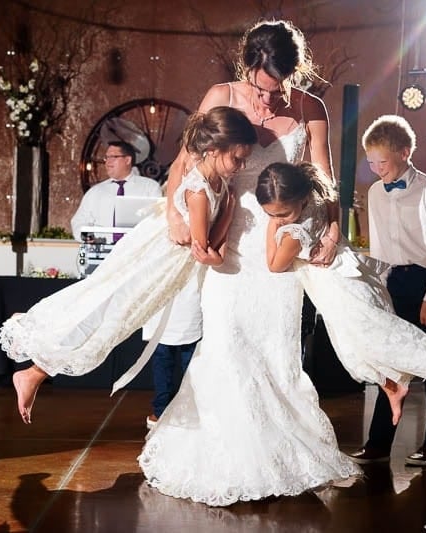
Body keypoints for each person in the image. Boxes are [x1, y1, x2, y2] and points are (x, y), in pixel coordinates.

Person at [137, 20, 355, 508]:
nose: (269, 96)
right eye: (262, 83)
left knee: (277, 349)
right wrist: (175, 212)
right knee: (226, 342)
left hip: (281, 245)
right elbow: (185, 161)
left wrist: (334, 227)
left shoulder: (310, 107)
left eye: (279, 84)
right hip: (230, 239)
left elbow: (323, 174)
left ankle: (279, 454)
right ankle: (225, 453)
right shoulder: (222, 94)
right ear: (249, 65)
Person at [0, 106, 257, 424]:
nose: (241, 166)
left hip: (173, 270)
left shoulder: (216, 183)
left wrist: (227, 212)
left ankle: (37, 367)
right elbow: (204, 252)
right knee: (110, 312)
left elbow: (206, 247)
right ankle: (36, 354)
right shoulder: (200, 191)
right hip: (155, 262)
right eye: (237, 158)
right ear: (214, 150)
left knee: (122, 321)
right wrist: (228, 217)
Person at [255, 161, 426, 424]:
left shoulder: (292, 232)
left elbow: (275, 265)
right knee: (354, 348)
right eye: (271, 214)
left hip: (343, 291)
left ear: (301, 198)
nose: (278, 219)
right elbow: (330, 207)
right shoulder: (317, 197)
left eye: (282, 214)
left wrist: (273, 227)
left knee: (382, 339)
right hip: (342, 286)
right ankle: (392, 387)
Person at [348, 114, 426, 467]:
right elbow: (380, 250)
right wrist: (379, 293)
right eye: (371, 162)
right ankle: (379, 443)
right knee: (390, 363)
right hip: (395, 283)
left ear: (405, 153)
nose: (376, 168)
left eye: (382, 161)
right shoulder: (375, 193)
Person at [70, 118, 162, 242]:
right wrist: (87, 237)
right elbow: (78, 221)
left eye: (113, 157)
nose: (108, 162)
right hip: (102, 251)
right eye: (106, 158)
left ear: (128, 160)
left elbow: (158, 220)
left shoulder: (149, 187)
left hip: (136, 253)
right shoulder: (95, 192)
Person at [141, 278, 201, 430]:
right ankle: (173, 411)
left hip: (184, 293)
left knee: (188, 358)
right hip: (166, 294)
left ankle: (171, 411)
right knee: (184, 358)